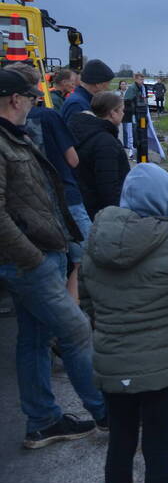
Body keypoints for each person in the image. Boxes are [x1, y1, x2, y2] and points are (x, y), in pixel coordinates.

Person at [80, 163, 168, 483]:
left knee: (119, 442)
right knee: (158, 446)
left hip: (111, 365)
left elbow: (88, 304)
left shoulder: (93, 243)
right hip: (161, 372)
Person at [0, 68, 106, 449]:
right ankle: (106, 412)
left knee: (34, 338)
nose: (33, 103)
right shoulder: (3, 141)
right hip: (30, 261)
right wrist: (32, 259)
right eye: (30, 97)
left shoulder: (14, 136)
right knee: (77, 330)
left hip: (39, 254)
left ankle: (43, 421)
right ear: (15, 100)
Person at [7, 63, 93, 302]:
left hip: (29, 209)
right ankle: (72, 312)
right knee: (83, 258)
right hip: (65, 198)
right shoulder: (49, 116)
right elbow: (72, 160)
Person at [68, 92, 131, 218]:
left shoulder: (83, 130)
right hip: (102, 213)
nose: (124, 114)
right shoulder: (105, 142)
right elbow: (109, 187)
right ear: (113, 113)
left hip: (86, 203)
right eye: (122, 110)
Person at [123, 72, 149, 159]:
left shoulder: (142, 88)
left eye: (143, 79)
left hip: (141, 115)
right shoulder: (132, 88)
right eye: (140, 79)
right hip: (133, 115)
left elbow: (144, 99)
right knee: (133, 132)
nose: (142, 81)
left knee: (142, 133)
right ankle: (132, 150)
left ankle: (142, 155)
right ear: (136, 79)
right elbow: (127, 101)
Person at [116, 80, 134, 155]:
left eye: (124, 84)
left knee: (128, 130)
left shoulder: (129, 92)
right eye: (122, 84)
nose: (123, 85)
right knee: (122, 129)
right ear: (120, 85)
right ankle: (124, 145)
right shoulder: (117, 93)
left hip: (128, 113)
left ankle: (129, 146)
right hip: (120, 113)